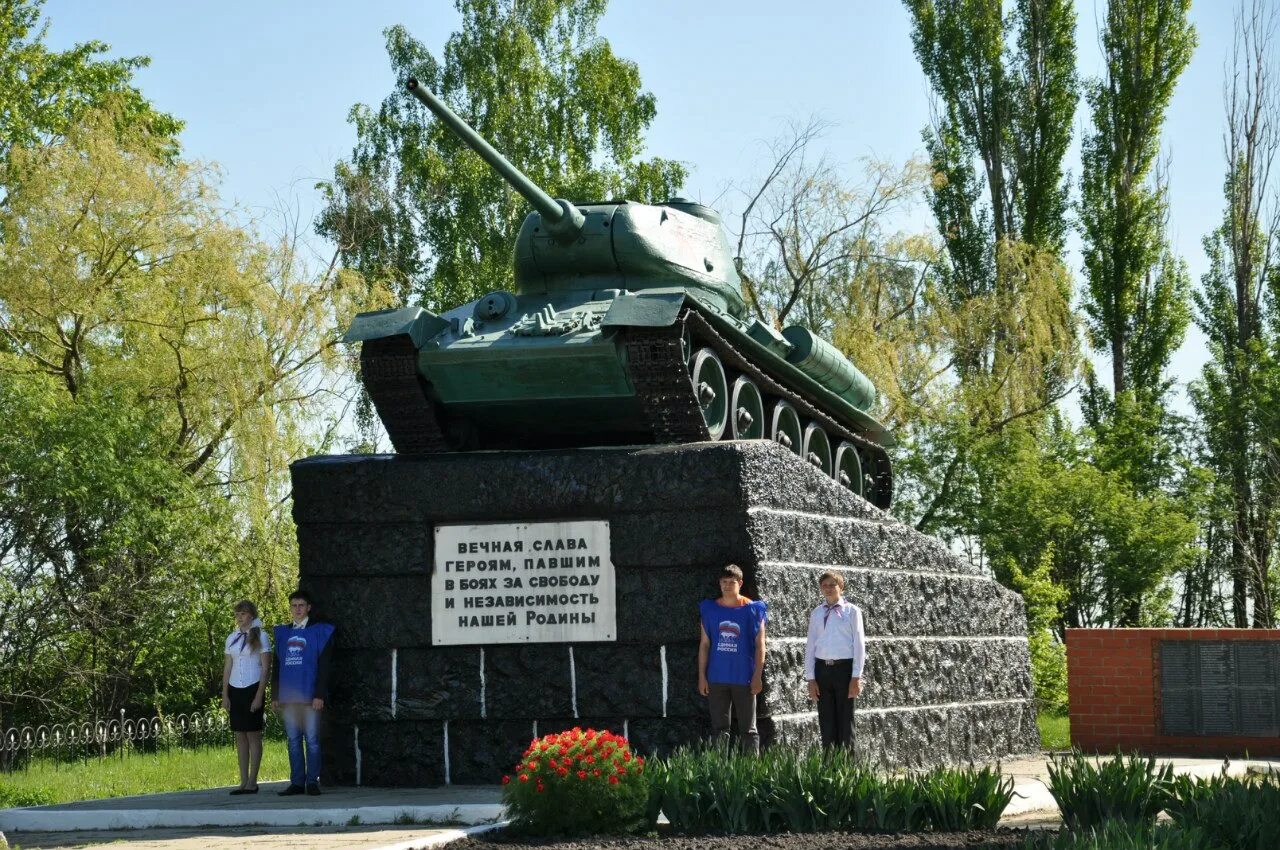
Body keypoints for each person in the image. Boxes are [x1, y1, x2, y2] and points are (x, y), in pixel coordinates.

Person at [697, 564, 767, 754]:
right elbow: (704, 645)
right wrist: (702, 676)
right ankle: (719, 771)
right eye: (724, 582)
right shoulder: (709, 610)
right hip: (717, 677)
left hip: (744, 678)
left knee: (749, 730)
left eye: (732, 582)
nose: (727, 586)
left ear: (740, 583)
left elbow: (761, 645)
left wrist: (757, 675)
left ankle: (752, 772)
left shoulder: (754, 610)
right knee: (719, 729)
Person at [271, 588, 335, 796]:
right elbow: (277, 667)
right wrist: (275, 695)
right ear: (290, 609)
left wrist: (320, 695)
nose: (297, 609)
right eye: (294, 606)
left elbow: (325, 666)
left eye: (301, 606)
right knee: (293, 741)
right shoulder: (283, 634)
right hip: (289, 699)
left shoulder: (320, 633)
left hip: (310, 697)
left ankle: (312, 781)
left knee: (313, 741)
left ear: (309, 608)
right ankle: (297, 783)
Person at [803, 570, 866, 749]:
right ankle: (829, 766)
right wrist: (810, 678)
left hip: (844, 670)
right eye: (825, 586)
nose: (828, 589)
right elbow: (811, 646)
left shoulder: (852, 612)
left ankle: (848, 768)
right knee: (826, 721)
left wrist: (856, 676)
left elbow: (859, 645)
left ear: (841, 587)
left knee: (846, 721)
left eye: (832, 585)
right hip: (823, 670)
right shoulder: (816, 613)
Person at [222, 599, 272, 795]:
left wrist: (259, 696)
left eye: (242, 614)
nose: (239, 617)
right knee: (240, 735)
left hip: (252, 688)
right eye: (237, 614)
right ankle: (243, 781)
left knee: (253, 734)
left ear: (251, 615)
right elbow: (227, 667)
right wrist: (225, 694)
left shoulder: (261, 636)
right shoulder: (231, 638)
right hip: (235, 688)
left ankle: (253, 780)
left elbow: (266, 668)